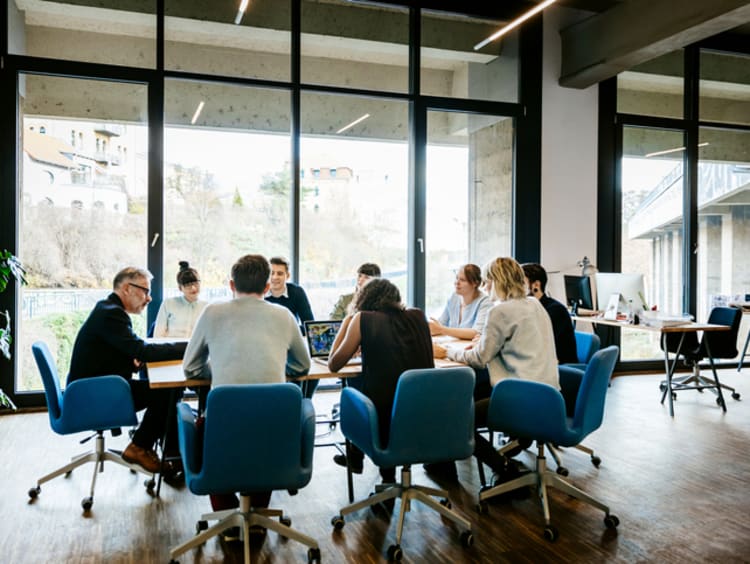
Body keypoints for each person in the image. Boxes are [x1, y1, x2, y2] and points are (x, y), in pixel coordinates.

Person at [182, 254, 311, 520]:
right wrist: (275, 368)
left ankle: (228, 515)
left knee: (202, 424)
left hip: (223, 426)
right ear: (266, 288)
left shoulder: (211, 312)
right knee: (267, 432)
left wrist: (216, 368)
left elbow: (191, 368)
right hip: (274, 431)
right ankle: (259, 514)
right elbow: (303, 366)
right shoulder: (284, 316)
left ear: (231, 285)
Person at [434, 257, 558, 481]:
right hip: (548, 395)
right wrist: (483, 342)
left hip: (520, 397)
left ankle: (503, 467)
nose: (485, 286)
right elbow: (517, 343)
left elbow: (480, 359)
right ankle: (512, 449)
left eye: (487, 281)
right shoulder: (535, 304)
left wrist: (446, 353)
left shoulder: (499, 311)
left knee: (457, 416)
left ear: (498, 281)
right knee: (473, 397)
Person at [68, 267, 187, 475]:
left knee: (168, 390)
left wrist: (133, 360)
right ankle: (141, 447)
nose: (149, 298)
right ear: (126, 288)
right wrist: (188, 346)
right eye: (145, 291)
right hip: (93, 394)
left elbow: (122, 352)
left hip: (95, 387)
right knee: (170, 390)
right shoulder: (111, 314)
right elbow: (141, 350)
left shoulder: (108, 309)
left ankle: (158, 449)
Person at [328, 278, 433, 484]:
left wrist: (349, 319)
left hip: (382, 416)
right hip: (423, 412)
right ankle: (384, 479)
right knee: (383, 390)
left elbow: (334, 364)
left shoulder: (363, 319)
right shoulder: (419, 316)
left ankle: (371, 468)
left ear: (364, 299)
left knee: (356, 389)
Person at [522, 263, 578, 364]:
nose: (517, 288)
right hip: (542, 364)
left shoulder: (555, 311)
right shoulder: (529, 308)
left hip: (560, 369)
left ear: (536, 285)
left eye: (521, 283)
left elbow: (539, 345)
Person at [429, 263, 492, 340]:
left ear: (475, 283)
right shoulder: (454, 297)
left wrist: (442, 329)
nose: (456, 283)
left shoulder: (485, 302)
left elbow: (476, 332)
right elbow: (441, 323)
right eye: (457, 278)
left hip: (469, 349)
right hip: (452, 346)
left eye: (462, 280)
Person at [153, 261, 208, 338]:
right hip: (171, 348)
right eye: (188, 285)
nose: (193, 288)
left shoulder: (206, 307)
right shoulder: (168, 303)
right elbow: (158, 335)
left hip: (195, 348)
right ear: (180, 288)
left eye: (196, 283)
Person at [264, 256, 314, 331]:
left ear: (287, 276)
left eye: (280, 274)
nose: (275, 277)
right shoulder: (259, 293)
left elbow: (310, 326)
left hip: (291, 340)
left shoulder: (297, 292)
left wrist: (286, 332)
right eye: (272, 273)